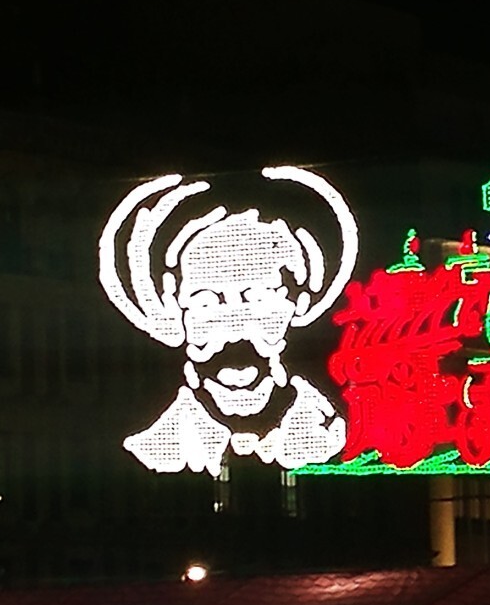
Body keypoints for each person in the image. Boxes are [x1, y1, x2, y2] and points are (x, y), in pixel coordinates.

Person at [98, 166, 358, 474]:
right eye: (207, 303)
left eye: (259, 299)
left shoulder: (332, 435)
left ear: (298, 304)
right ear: (172, 310)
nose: (236, 331)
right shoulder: (158, 448)